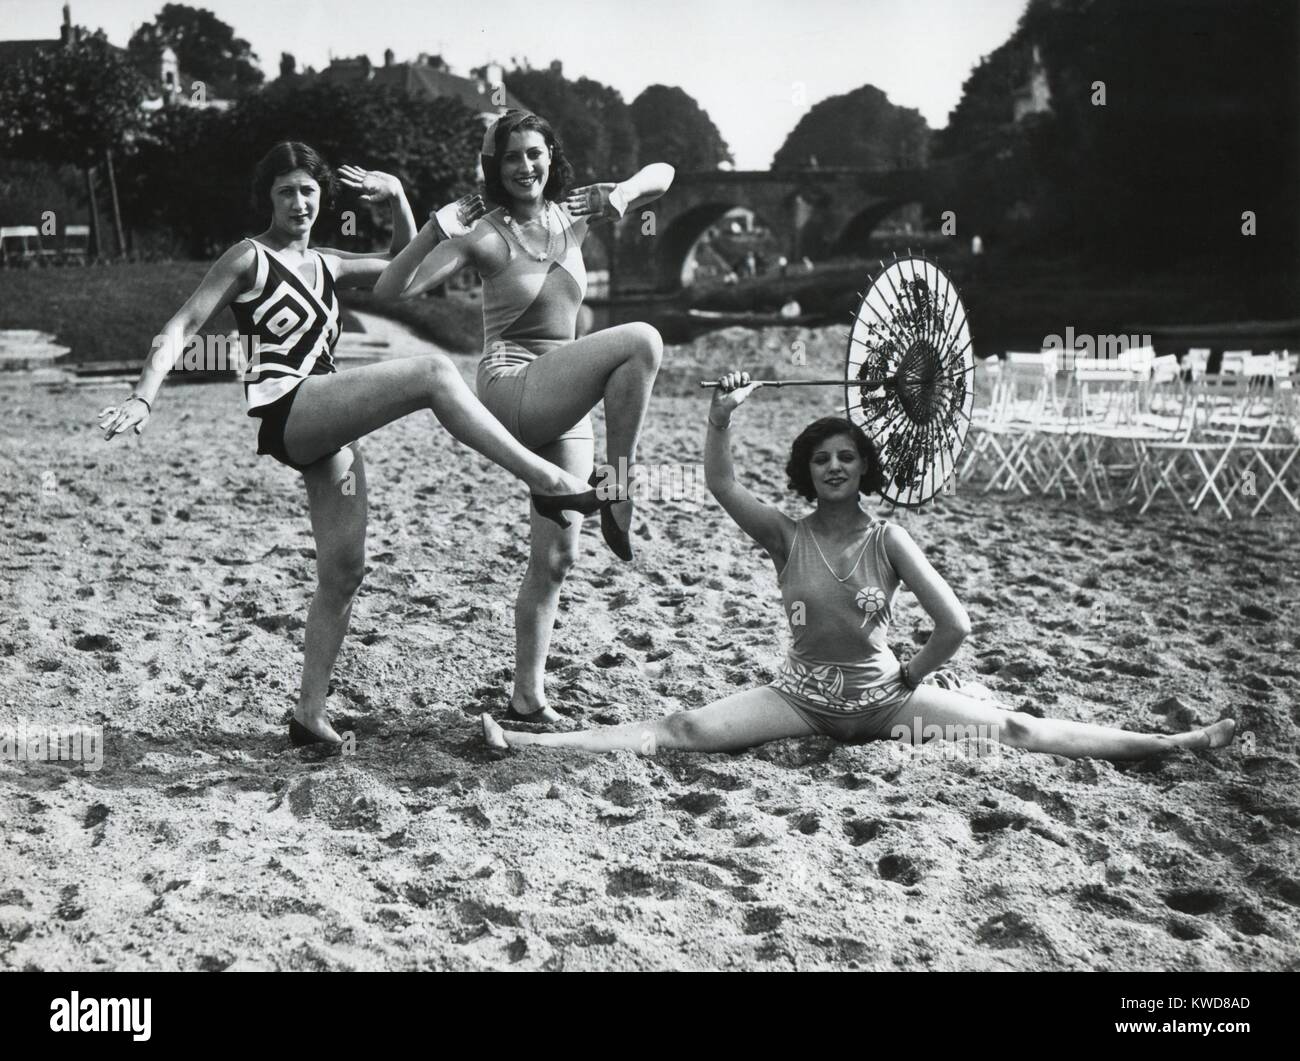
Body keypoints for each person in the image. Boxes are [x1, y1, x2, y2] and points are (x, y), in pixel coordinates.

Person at [97, 141, 611, 749]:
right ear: (268, 197)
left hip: (326, 423)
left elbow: (406, 265)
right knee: (433, 374)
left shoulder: (330, 263)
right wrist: (145, 396)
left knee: (344, 571)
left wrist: (397, 198)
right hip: (289, 408)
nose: (299, 202)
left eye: (309, 191)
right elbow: (180, 326)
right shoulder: (248, 257)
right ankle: (549, 481)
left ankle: (308, 715)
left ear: (323, 198)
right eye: (286, 191)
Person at [481, 370, 1237, 760]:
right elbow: (719, 484)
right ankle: (532, 742)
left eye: (846, 458)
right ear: (806, 472)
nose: (835, 467)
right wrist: (721, 418)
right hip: (802, 699)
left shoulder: (890, 538)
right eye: (821, 460)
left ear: (863, 467)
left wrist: (911, 676)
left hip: (885, 704)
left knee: (1013, 726)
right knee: (680, 727)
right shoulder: (785, 533)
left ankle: (1171, 743)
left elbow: (955, 625)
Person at [376, 110, 674, 724]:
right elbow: (391, 291)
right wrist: (434, 229)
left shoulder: (573, 217)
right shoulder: (483, 234)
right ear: (496, 168)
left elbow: (665, 174)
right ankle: (620, 491)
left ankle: (527, 695)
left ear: (550, 157)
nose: (525, 167)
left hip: (561, 396)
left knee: (555, 558)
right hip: (512, 389)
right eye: (512, 157)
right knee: (641, 339)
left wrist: (621, 194)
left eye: (535, 154)